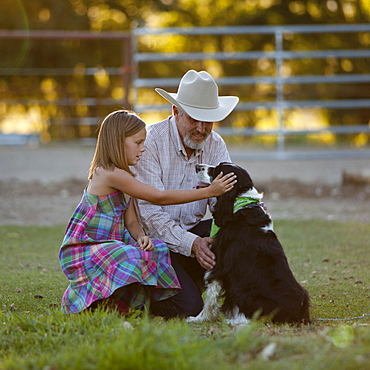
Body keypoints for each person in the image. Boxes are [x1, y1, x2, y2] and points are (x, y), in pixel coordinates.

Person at [59, 109, 236, 316]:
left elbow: (132, 219)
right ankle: (95, 301)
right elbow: (158, 197)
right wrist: (209, 191)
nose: (143, 149)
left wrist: (141, 236)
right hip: (90, 245)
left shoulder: (127, 175)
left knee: (155, 249)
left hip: (114, 242)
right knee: (128, 255)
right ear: (117, 142)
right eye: (138, 143)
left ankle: (125, 301)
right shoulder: (109, 174)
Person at [134, 70, 239, 318]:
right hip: (153, 244)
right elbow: (148, 214)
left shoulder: (216, 144)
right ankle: (141, 290)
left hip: (191, 234)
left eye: (208, 120)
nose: (201, 129)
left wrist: (245, 209)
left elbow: (223, 201)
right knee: (189, 308)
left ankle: (237, 292)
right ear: (176, 112)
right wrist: (192, 244)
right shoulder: (151, 142)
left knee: (236, 230)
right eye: (194, 118)